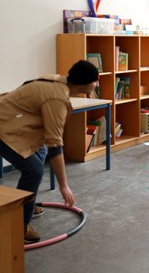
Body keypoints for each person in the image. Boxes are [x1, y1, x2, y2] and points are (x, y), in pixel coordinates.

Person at [0, 60, 100, 243]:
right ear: (85, 83)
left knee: (40, 153)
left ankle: (27, 204)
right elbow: (55, 145)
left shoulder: (59, 82)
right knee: (34, 170)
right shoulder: (57, 98)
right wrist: (64, 185)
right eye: (95, 80)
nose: (97, 84)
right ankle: (19, 226)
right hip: (3, 129)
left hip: (12, 123)